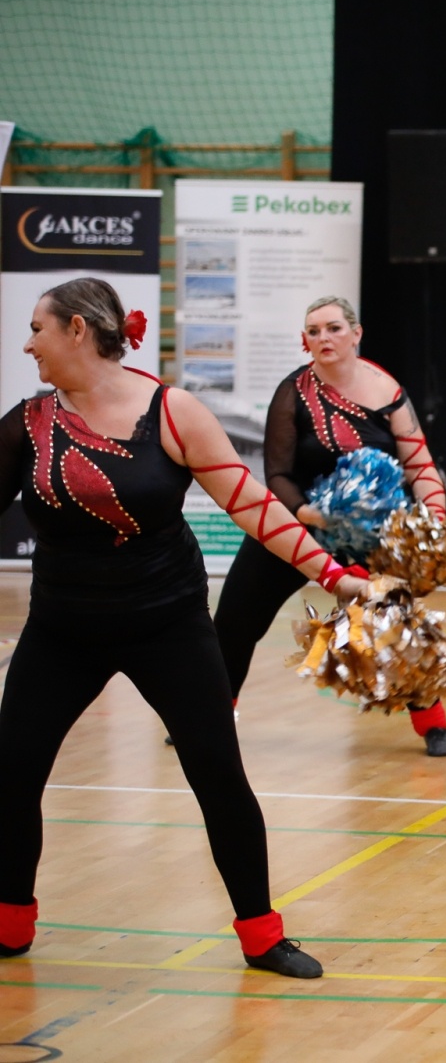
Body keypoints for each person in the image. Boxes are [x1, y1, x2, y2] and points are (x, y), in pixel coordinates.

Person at [0, 278, 369, 976]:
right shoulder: (27, 423)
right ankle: (10, 920)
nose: (28, 344)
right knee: (13, 774)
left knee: (218, 776)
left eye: (38, 329)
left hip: (166, 625)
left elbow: (255, 507)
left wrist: (336, 574)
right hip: (61, 629)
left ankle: (263, 935)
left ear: (78, 330)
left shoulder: (172, 411)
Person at [209, 296, 446, 756]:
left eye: (333, 328)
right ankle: (211, 716)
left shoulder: (387, 390)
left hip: (367, 538)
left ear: (356, 333)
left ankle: (433, 724)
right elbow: (276, 473)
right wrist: (313, 515)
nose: (323, 338)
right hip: (297, 526)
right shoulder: (293, 392)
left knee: (397, 623)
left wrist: (433, 521)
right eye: (313, 331)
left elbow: (419, 463)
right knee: (234, 620)